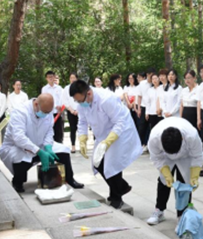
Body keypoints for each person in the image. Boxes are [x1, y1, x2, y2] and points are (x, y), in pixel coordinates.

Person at [70, 79, 142, 209]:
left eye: (80, 100)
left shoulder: (106, 99)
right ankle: (122, 187)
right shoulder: (82, 103)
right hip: (103, 133)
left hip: (120, 131)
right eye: (77, 101)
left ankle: (116, 198)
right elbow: (82, 121)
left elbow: (120, 121)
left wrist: (109, 140)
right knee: (98, 163)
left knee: (113, 164)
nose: (79, 104)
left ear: (89, 93)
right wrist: (82, 138)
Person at [0, 93, 84, 193]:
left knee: (63, 150)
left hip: (40, 144)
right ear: (36, 104)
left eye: (49, 112)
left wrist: (48, 147)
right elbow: (19, 138)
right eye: (45, 112)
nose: (47, 115)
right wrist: (39, 152)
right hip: (16, 147)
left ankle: (69, 178)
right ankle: (18, 181)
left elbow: (49, 131)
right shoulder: (20, 112)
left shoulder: (47, 110)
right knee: (20, 156)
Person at [146, 117, 203, 225]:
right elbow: (156, 157)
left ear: (182, 139)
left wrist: (195, 175)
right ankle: (159, 210)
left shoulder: (191, 135)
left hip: (186, 156)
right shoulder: (154, 137)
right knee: (163, 181)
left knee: (185, 183)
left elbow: (198, 156)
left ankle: (182, 214)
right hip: (165, 157)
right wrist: (166, 172)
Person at [41, 70, 64, 143]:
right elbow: (43, 100)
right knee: (50, 132)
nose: (50, 78)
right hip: (48, 114)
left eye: (52, 77)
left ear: (54, 77)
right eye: (49, 77)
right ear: (46, 78)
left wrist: (60, 106)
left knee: (59, 132)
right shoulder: (44, 89)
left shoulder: (59, 88)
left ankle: (60, 145)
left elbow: (62, 99)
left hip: (58, 113)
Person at [136, 69, 154, 149]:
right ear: (147, 75)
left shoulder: (155, 83)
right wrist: (139, 108)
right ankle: (140, 144)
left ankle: (148, 145)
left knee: (151, 127)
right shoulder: (142, 83)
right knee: (142, 126)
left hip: (152, 108)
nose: (151, 77)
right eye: (150, 75)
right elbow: (139, 96)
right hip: (143, 106)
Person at [63, 73, 80, 153]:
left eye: (74, 78)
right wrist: (71, 110)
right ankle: (73, 146)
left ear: (77, 79)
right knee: (72, 129)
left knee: (81, 129)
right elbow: (65, 101)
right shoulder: (66, 88)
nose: (72, 79)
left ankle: (83, 145)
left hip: (80, 111)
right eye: (71, 78)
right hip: (71, 111)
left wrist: (78, 110)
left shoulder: (80, 87)